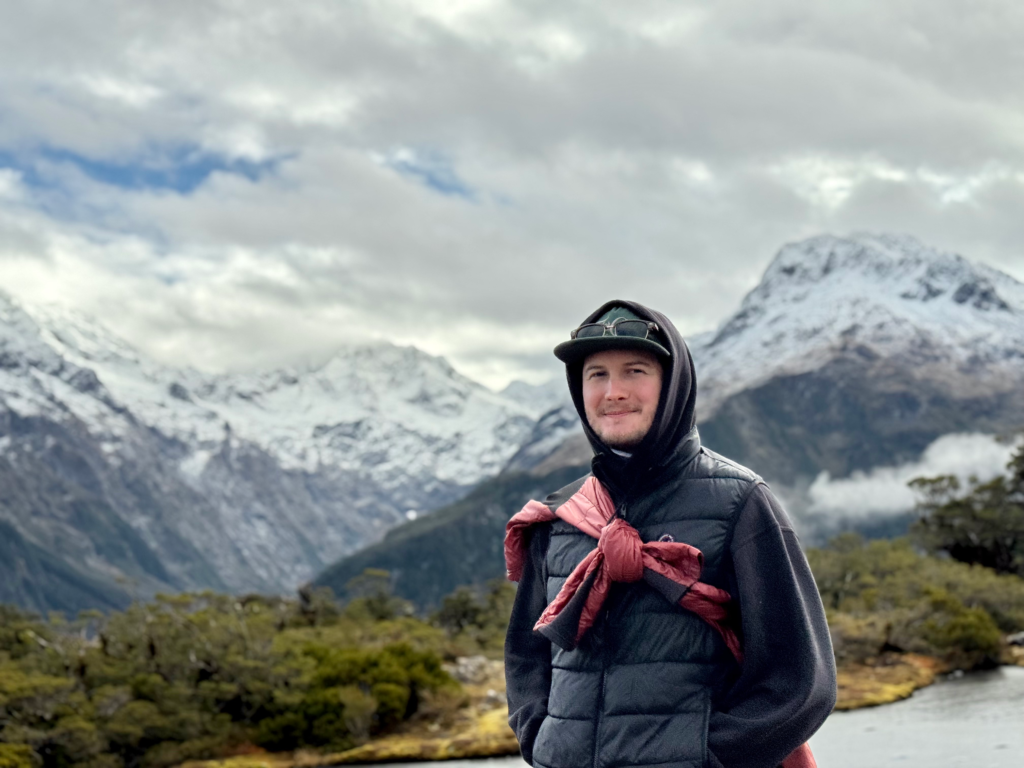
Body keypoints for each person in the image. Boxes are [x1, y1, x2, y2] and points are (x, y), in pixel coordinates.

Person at [504, 300, 836, 768]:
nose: (613, 391)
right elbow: (525, 656)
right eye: (596, 374)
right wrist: (541, 738)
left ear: (673, 383)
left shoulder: (741, 503)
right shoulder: (561, 517)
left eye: (634, 370)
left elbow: (800, 679)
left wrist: (706, 757)